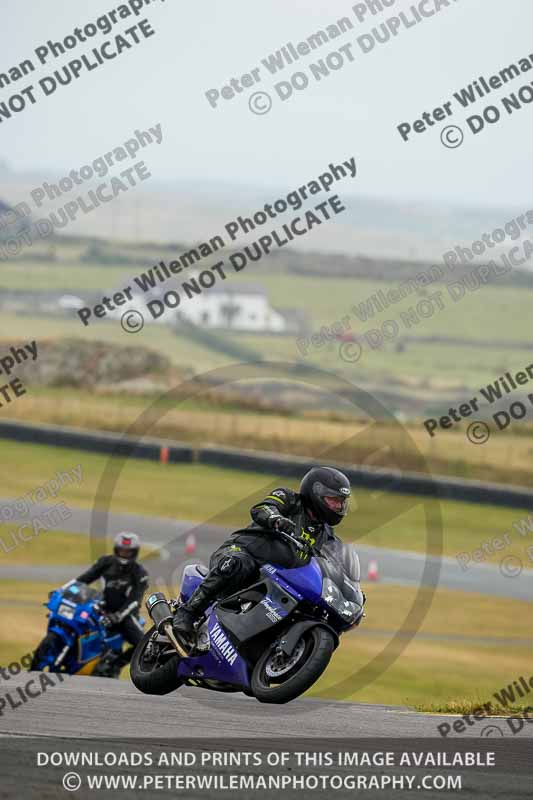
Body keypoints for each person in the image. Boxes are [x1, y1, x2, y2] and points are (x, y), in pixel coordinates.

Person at [172, 466, 353, 642]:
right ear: (316, 494)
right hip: (246, 551)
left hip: (280, 578)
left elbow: (334, 565)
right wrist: (275, 519)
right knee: (236, 564)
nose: (338, 506)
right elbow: (263, 508)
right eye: (333, 500)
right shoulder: (289, 499)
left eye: (341, 501)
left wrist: (349, 587)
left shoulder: (328, 536)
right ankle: (187, 613)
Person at [76, 532, 149, 667]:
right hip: (101, 609)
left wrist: (118, 616)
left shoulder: (140, 573)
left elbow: (135, 600)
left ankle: (116, 664)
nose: (124, 554)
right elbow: (83, 579)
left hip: (126, 615)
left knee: (144, 645)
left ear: (134, 553)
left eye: (128, 552)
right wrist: (64, 590)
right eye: (121, 550)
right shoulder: (105, 562)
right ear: (116, 549)